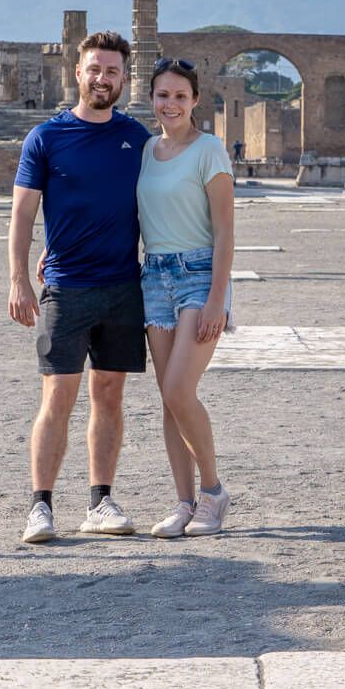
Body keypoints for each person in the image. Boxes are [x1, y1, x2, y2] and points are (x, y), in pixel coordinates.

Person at [7, 30, 151, 544]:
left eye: (112, 71)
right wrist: (19, 279)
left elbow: (161, 208)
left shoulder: (138, 140)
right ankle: (39, 506)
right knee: (58, 395)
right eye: (95, 69)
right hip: (66, 287)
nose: (102, 78)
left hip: (122, 287)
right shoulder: (46, 137)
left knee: (109, 394)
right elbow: (22, 215)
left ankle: (100, 500)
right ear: (78, 72)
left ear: (124, 78)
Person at [139, 57, 237, 537]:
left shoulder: (210, 151)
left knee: (180, 389)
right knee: (167, 399)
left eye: (180, 96)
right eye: (163, 95)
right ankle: (183, 502)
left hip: (199, 277)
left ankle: (214, 493)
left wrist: (218, 299)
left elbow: (224, 230)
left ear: (195, 100)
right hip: (154, 278)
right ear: (152, 98)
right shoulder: (146, 150)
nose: (171, 103)